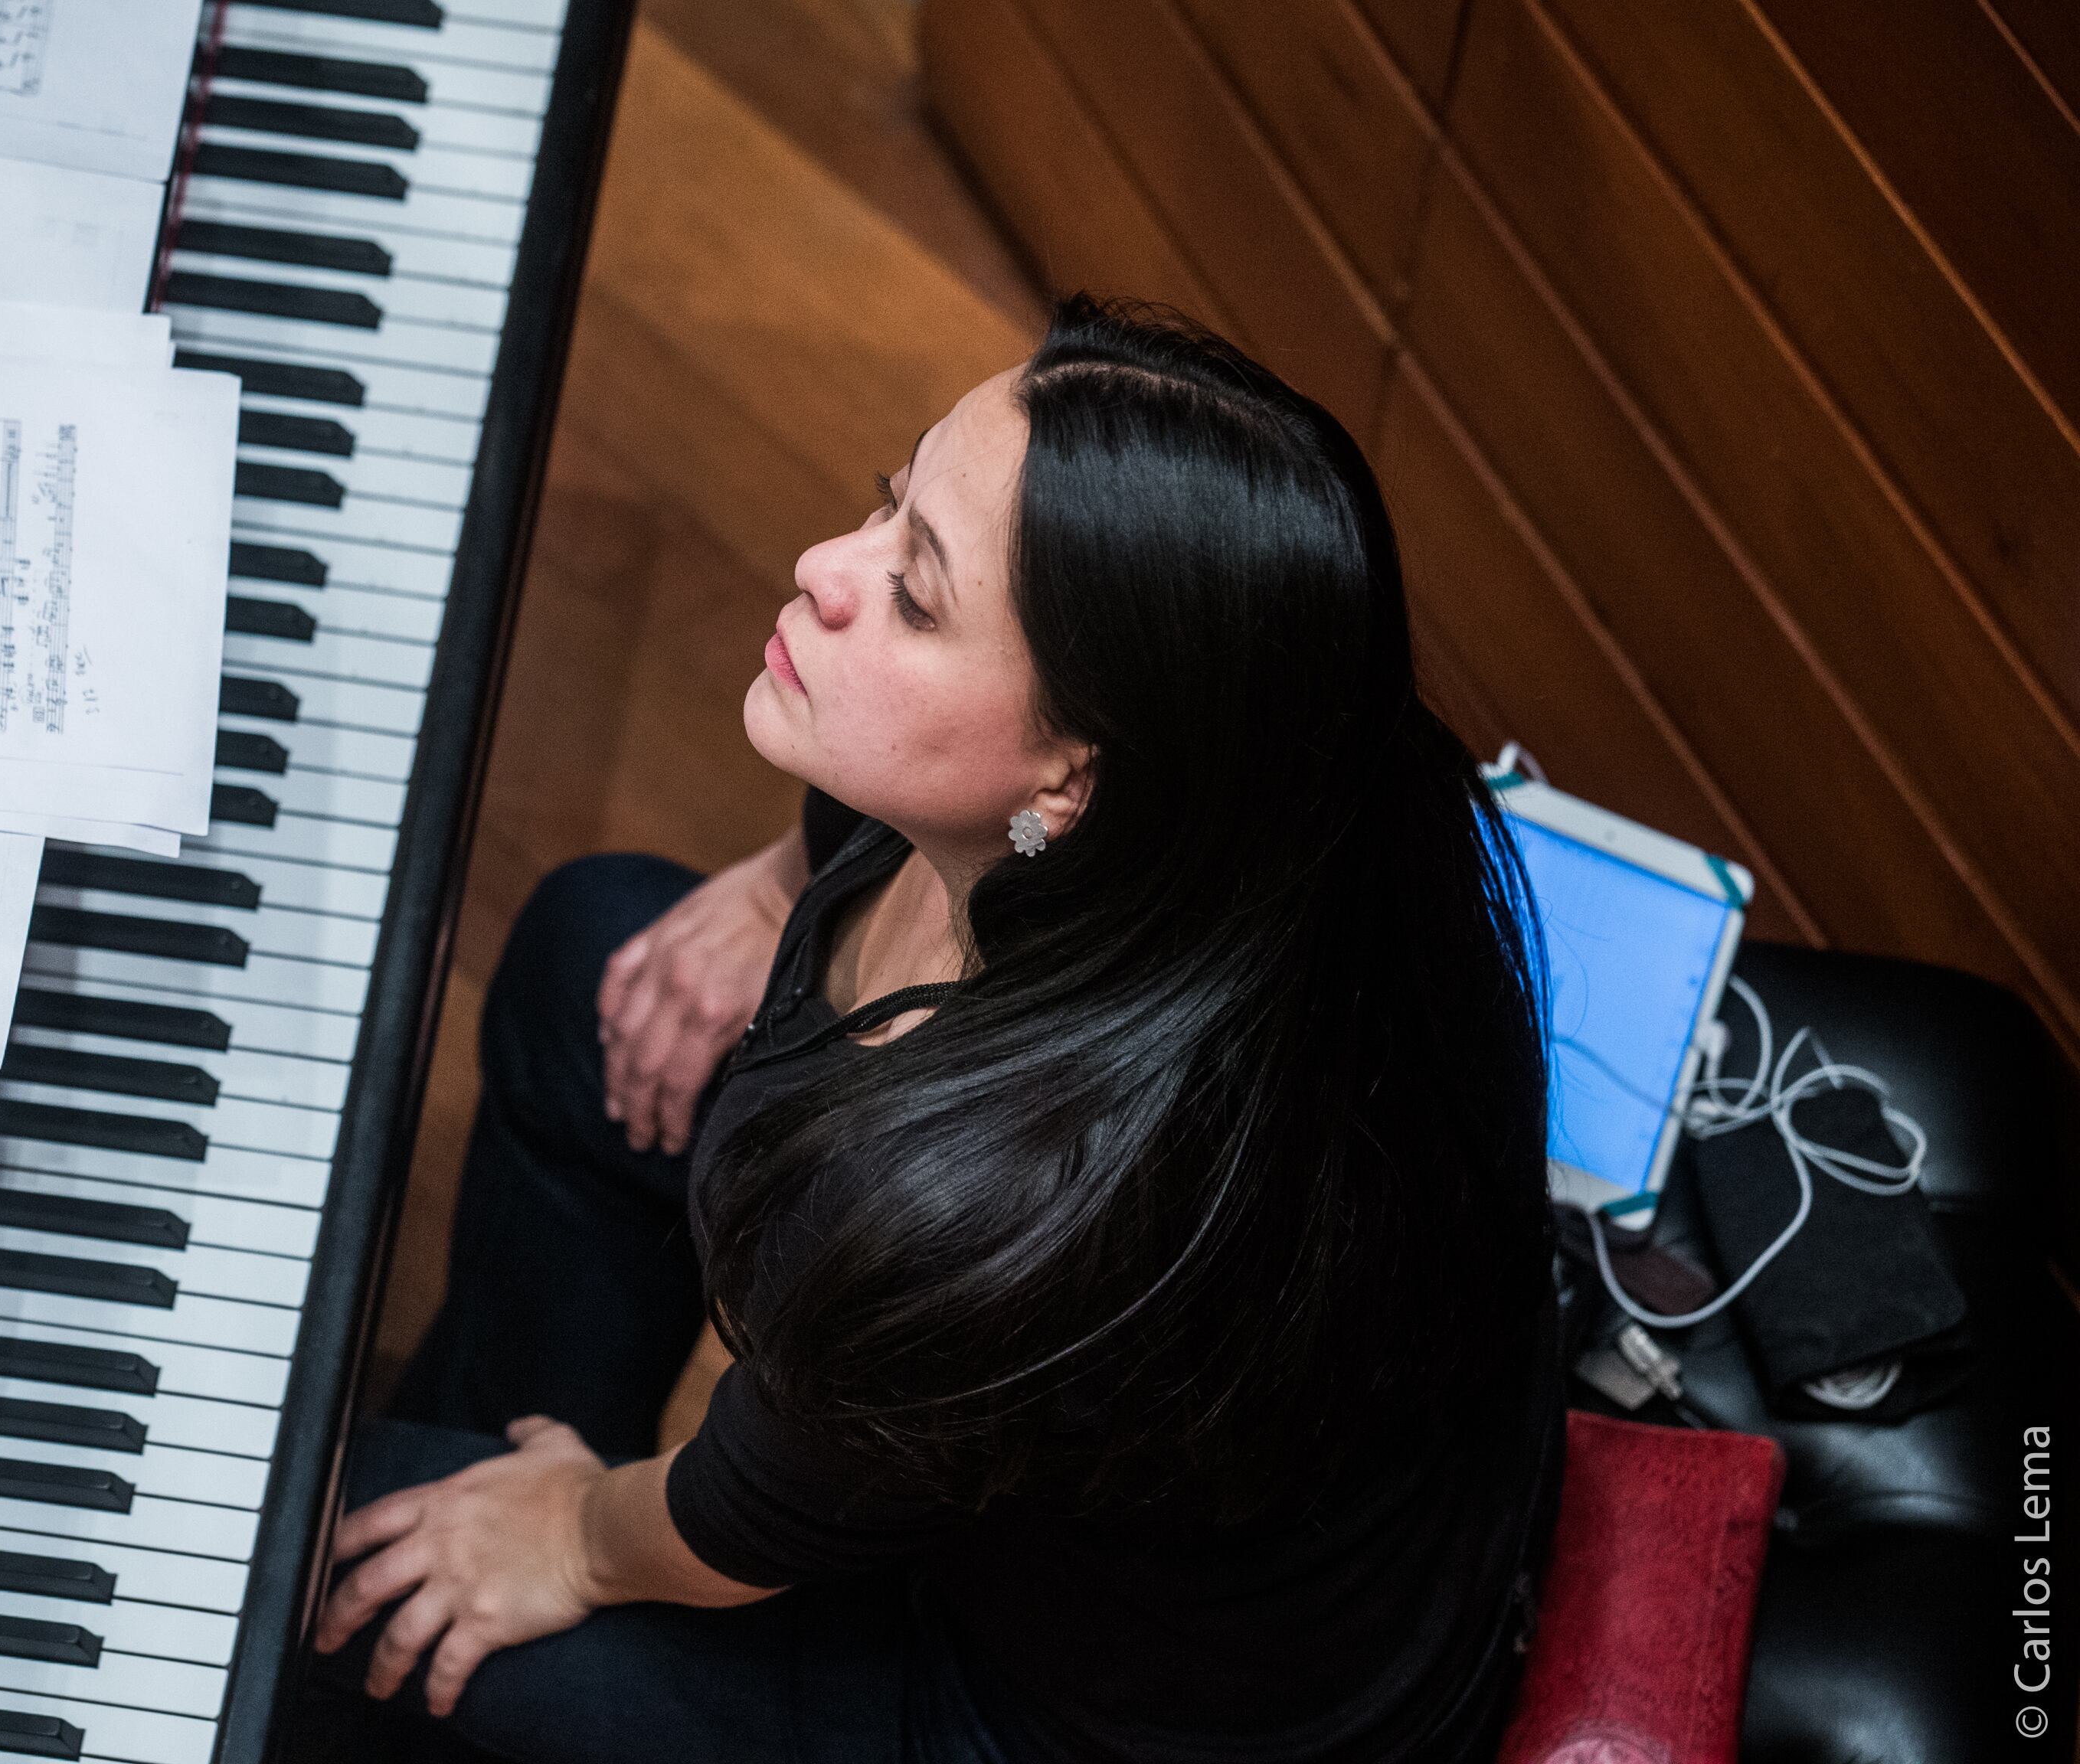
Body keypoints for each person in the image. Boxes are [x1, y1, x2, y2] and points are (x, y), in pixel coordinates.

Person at [304, 297, 1566, 1764]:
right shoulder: (1221, 789)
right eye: (887, 499)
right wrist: (777, 886)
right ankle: (489, 1436)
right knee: (592, 949)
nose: (824, 568)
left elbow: (742, 1525)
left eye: (914, 593)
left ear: (1068, 783)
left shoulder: (988, 1206)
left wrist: (580, 1539)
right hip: (1011, 1453)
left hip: (1097, 1711)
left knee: (318, 1564)